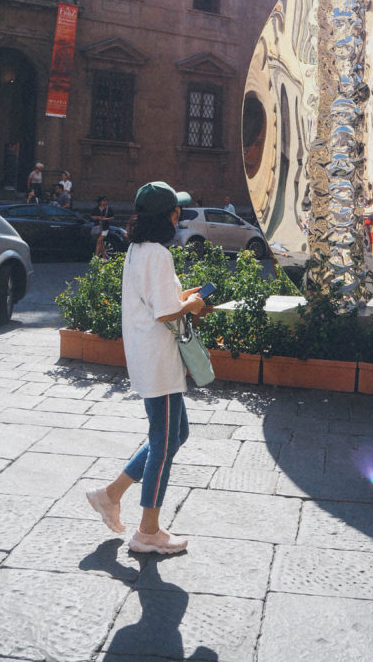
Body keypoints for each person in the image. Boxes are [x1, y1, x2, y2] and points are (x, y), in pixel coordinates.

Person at [86, 181, 210, 553]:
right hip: (159, 361)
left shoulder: (139, 250)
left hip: (148, 358)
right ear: (167, 216)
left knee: (174, 435)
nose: (179, 215)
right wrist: (191, 306)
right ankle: (148, 531)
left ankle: (111, 494)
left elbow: (157, 300)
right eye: (177, 211)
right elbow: (165, 312)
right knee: (164, 443)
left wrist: (184, 296)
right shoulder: (158, 254)